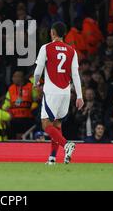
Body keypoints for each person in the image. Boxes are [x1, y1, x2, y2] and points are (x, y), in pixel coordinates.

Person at [33, 21, 84, 165]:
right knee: (56, 125)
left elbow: (38, 70)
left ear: (52, 33)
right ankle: (52, 158)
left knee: (45, 124)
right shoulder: (72, 51)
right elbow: (75, 75)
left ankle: (66, 144)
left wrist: (36, 83)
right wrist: (79, 96)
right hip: (66, 92)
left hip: (52, 91)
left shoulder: (46, 48)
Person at [2, 70, 37, 139]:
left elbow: (36, 99)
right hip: (14, 118)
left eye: (16, 76)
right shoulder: (11, 88)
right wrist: (5, 110)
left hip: (27, 118)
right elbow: (6, 104)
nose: (13, 78)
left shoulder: (30, 87)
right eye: (13, 77)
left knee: (25, 137)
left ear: (22, 78)